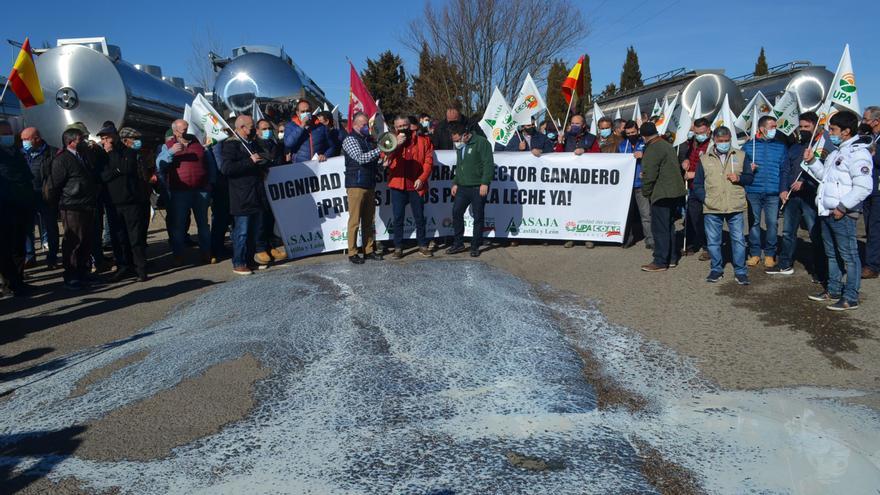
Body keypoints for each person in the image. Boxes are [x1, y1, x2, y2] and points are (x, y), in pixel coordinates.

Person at [803, 111, 873, 310]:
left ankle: (851, 296)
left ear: (846, 131)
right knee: (832, 254)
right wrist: (812, 162)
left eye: (833, 130)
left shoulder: (859, 154)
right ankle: (833, 289)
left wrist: (843, 207)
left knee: (849, 256)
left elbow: (864, 187)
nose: (830, 133)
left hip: (843, 213)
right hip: (827, 211)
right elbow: (824, 178)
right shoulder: (835, 153)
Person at [768, 112, 830, 281]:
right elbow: (785, 169)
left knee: (815, 234)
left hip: (811, 197)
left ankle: (821, 271)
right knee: (788, 232)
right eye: (800, 126)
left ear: (816, 126)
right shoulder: (795, 147)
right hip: (792, 197)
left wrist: (805, 184)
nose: (803, 129)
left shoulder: (823, 147)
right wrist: (783, 189)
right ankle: (785, 264)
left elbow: (826, 174)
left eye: (807, 127)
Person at [693, 126, 754, 285]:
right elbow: (697, 184)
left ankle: (740, 271)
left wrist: (739, 178)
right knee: (713, 241)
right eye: (721, 141)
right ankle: (716, 269)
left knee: (738, 240)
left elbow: (749, 178)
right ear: (714, 140)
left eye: (727, 140)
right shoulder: (704, 159)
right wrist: (705, 199)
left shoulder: (740, 155)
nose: (724, 143)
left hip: (734, 205)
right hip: (712, 206)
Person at [156, 119, 213, 265]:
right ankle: (178, 254)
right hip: (179, 192)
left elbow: (210, 164)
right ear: (175, 131)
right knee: (179, 225)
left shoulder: (199, 144)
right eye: (183, 130)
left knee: (203, 224)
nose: (187, 132)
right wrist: (171, 152)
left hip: (201, 190)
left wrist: (210, 184)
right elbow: (159, 164)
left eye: (188, 128)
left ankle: (206, 252)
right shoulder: (168, 146)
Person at [48, 128, 99, 289]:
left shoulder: (83, 156)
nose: (83, 142)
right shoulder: (62, 159)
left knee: (86, 240)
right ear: (70, 142)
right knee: (74, 241)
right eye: (80, 139)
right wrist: (56, 205)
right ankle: (71, 275)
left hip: (86, 204)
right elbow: (55, 185)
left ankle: (83, 272)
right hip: (71, 206)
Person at [100, 127, 151, 282]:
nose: (105, 142)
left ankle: (140, 268)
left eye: (107, 138)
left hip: (130, 201)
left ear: (115, 137)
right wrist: (116, 169)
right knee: (118, 238)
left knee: (135, 237)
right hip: (112, 202)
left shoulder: (128, 152)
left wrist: (113, 157)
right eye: (102, 139)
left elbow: (127, 168)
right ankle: (123, 266)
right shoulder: (102, 155)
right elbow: (103, 175)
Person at [221, 115, 270, 275]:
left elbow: (258, 160)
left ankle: (249, 260)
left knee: (254, 231)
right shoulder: (231, 145)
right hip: (242, 195)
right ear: (241, 127)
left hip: (256, 193)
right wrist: (249, 161)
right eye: (251, 126)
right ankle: (239, 262)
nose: (253, 129)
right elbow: (227, 169)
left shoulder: (252, 143)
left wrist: (263, 168)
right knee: (241, 232)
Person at [385, 116, 434, 258]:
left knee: (419, 217)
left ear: (410, 126)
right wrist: (396, 144)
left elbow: (428, 162)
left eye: (404, 125)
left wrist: (422, 178)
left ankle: (422, 245)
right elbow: (385, 157)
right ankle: (398, 247)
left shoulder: (424, 141)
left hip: (416, 186)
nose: (402, 128)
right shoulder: (389, 140)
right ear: (395, 128)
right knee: (398, 217)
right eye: (399, 126)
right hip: (397, 185)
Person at [640, 122, 686, 272]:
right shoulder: (666, 145)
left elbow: (649, 174)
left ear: (644, 137)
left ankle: (660, 261)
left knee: (660, 229)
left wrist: (646, 192)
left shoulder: (652, 148)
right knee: (669, 226)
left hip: (661, 193)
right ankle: (671, 258)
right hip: (674, 192)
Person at [743, 115, 788, 268]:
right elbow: (739, 167)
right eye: (772, 127)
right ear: (762, 129)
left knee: (772, 223)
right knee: (754, 223)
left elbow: (784, 170)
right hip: (753, 191)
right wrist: (748, 168)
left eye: (775, 127)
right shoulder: (749, 146)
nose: (775, 129)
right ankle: (755, 253)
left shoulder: (780, 147)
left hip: (773, 192)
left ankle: (770, 254)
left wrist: (783, 189)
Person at [445, 122, 494, 257]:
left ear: (465, 135)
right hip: (462, 187)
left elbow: (488, 164)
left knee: (478, 216)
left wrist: (485, 183)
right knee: (456, 212)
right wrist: (456, 182)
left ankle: (475, 245)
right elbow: (459, 165)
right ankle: (458, 243)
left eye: (457, 140)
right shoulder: (460, 146)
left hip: (478, 187)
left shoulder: (482, 143)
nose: (456, 143)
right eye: (454, 141)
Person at [341, 112, 383, 264]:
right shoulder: (350, 139)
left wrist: (382, 162)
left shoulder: (368, 140)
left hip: (369, 183)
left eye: (367, 124)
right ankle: (352, 252)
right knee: (354, 221)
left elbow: (372, 160)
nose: (367, 127)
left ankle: (368, 250)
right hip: (356, 185)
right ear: (355, 125)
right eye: (364, 125)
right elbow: (360, 158)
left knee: (368, 220)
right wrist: (380, 149)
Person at [0, 120, 35, 296]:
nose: (7, 136)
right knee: (5, 248)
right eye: (3, 134)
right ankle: (9, 284)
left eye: (9, 133)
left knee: (19, 246)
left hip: (22, 205)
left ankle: (19, 280)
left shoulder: (16, 152)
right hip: (5, 208)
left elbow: (26, 175)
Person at [20, 126, 59, 269]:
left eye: (26, 139)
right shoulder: (21, 153)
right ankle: (30, 256)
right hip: (27, 195)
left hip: (45, 196)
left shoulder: (52, 153)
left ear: (37, 139)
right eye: (22, 139)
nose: (24, 142)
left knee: (50, 226)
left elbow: (56, 175)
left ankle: (52, 256)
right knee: (27, 227)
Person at [563, 114, 600, 248]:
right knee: (570, 209)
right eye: (572, 123)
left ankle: (587, 237)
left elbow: (598, 154)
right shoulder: (565, 137)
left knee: (586, 208)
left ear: (583, 125)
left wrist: (585, 150)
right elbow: (557, 155)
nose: (574, 126)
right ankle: (570, 236)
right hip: (569, 179)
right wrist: (560, 143)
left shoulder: (591, 138)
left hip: (586, 180)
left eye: (577, 124)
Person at [680, 118, 711, 260]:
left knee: (708, 219)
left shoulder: (713, 145)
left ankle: (708, 247)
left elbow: (714, 167)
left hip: (707, 187)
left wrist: (695, 174)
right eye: (696, 132)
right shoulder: (694, 142)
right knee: (693, 217)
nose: (699, 135)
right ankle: (691, 243)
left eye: (701, 132)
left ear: (708, 130)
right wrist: (685, 161)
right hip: (693, 187)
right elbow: (689, 157)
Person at [619, 120, 653, 249]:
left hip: (641, 184)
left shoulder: (645, 143)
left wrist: (644, 155)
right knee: (626, 214)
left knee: (646, 214)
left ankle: (650, 239)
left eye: (633, 132)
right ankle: (627, 238)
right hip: (626, 186)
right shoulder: (622, 145)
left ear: (637, 131)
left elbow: (654, 157)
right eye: (628, 133)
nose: (631, 135)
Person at [860, 106, 880, 279]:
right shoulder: (868, 137)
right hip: (867, 188)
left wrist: (872, 154)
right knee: (869, 226)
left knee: (875, 228)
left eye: (866, 119)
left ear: (876, 121)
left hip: (878, 190)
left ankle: (872, 266)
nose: (863, 122)